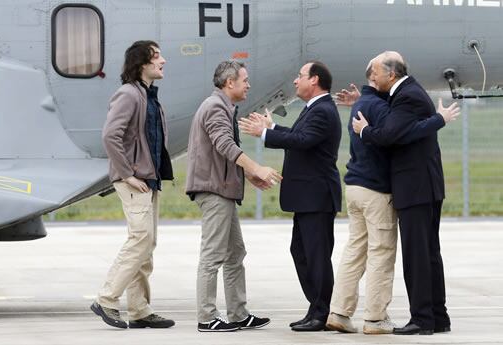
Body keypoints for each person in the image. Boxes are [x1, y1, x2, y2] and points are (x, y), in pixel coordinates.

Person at [327, 58, 457, 335]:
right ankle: (435, 316)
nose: (371, 79)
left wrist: (366, 127)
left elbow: (390, 134)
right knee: (426, 252)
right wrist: (437, 119)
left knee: (417, 254)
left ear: (391, 73)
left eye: (375, 74)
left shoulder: (406, 96)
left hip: (415, 187)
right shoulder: (399, 95)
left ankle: (423, 319)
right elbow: (400, 129)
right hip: (418, 186)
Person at [239, 61, 341, 332]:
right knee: (302, 252)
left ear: (314, 80)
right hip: (308, 197)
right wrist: (273, 128)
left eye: (300, 76)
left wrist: (265, 133)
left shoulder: (322, 110)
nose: (296, 81)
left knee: (316, 256)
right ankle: (316, 308)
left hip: (316, 197)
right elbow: (299, 136)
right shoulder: (315, 109)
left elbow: (303, 141)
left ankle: (321, 313)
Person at [185, 60, 281, 332]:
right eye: (245, 80)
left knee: (235, 251)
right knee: (213, 254)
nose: (249, 84)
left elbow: (222, 151)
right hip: (214, 191)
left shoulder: (222, 106)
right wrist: (257, 167)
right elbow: (224, 145)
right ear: (230, 83)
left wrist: (249, 176)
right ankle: (206, 317)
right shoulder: (216, 107)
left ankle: (238, 313)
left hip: (222, 190)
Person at [92, 40, 175, 329]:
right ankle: (107, 298)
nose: (163, 60)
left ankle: (139, 309)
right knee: (140, 239)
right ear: (142, 64)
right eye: (157, 56)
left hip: (148, 179)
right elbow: (110, 136)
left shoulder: (149, 96)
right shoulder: (128, 94)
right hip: (133, 180)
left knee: (147, 244)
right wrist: (127, 174)